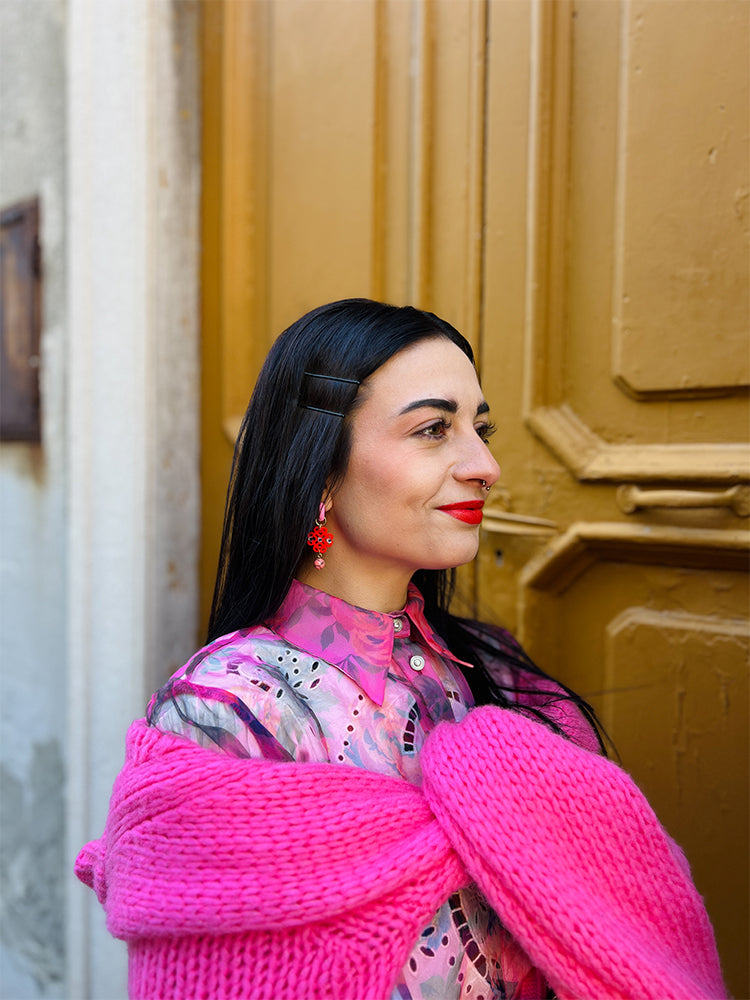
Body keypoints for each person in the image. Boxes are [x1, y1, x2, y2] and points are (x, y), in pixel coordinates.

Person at [75, 299, 726, 1000]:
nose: (484, 465)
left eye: (479, 429)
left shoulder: (493, 672)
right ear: (321, 471)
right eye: (433, 429)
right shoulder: (227, 711)